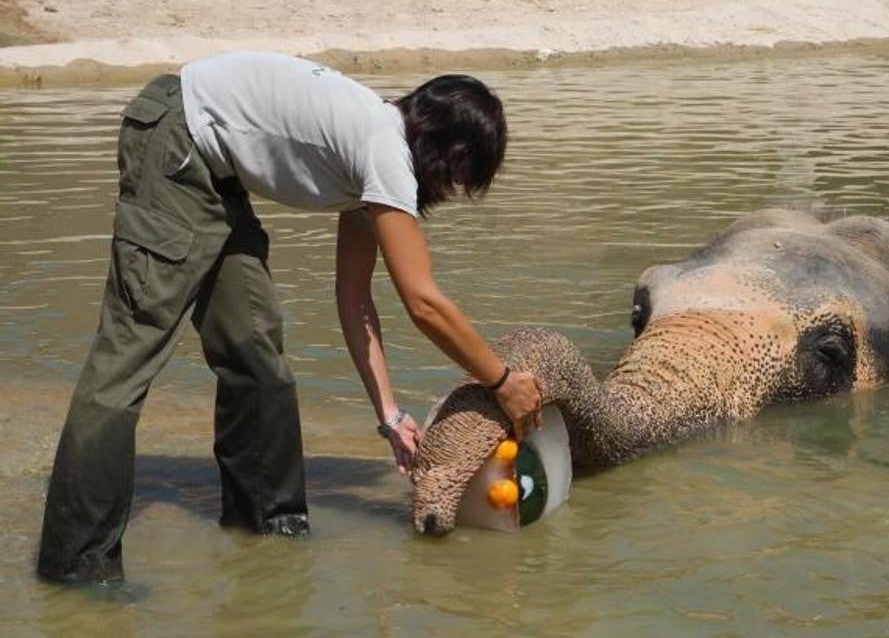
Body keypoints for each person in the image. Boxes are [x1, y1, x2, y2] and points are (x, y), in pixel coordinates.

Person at [36, 51, 543, 584]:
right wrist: (502, 380)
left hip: (215, 175)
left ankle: (266, 533)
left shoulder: (369, 155)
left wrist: (390, 416)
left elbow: (355, 300)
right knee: (126, 359)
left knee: (255, 353)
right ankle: (75, 568)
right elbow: (423, 302)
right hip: (175, 141)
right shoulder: (384, 151)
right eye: (461, 179)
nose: (448, 193)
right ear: (450, 155)